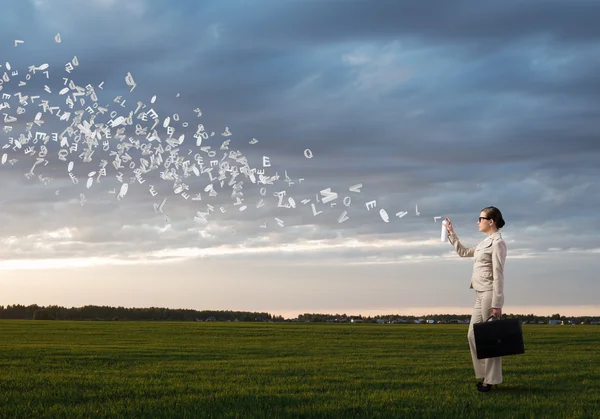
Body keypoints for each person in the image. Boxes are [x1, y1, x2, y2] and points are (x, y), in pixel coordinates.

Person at [444, 206, 507, 393]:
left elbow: (499, 274)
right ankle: (486, 376)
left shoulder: (498, 243)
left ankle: (491, 380)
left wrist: (497, 303)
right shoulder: (484, 243)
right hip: (479, 293)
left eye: (481, 218)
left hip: (489, 293)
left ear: (491, 221)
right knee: (472, 335)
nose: (478, 221)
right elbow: (463, 252)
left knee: (489, 338)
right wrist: (451, 234)